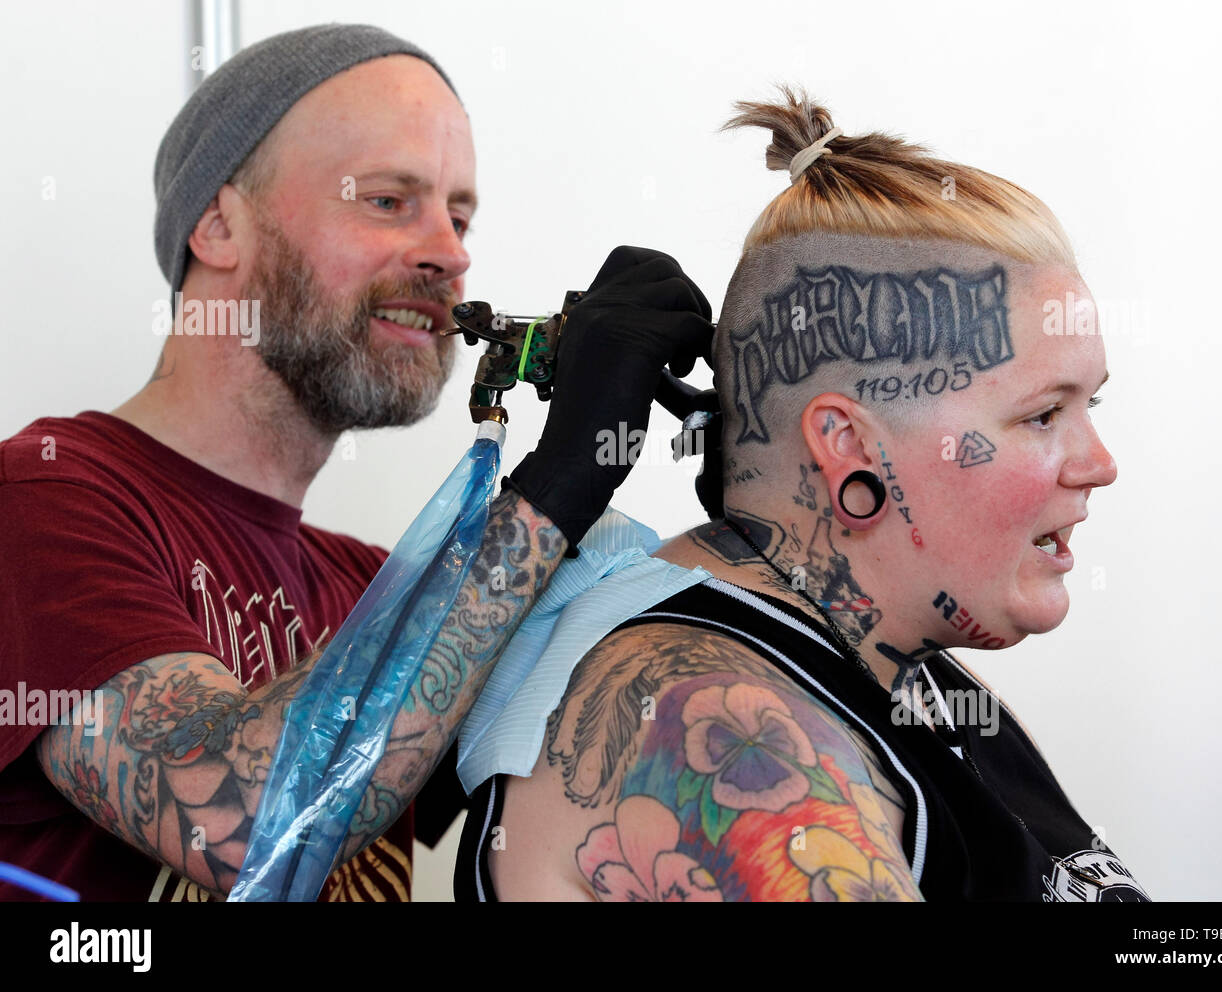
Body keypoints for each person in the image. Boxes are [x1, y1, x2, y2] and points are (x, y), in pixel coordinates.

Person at [0, 24, 711, 901]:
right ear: (219, 224)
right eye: (387, 201)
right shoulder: (37, 500)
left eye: (459, 216)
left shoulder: (373, 586)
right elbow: (251, 826)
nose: (451, 253)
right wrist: (560, 481)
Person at [456, 88, 1152, 902]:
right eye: (1043, 414)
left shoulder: (925, 683)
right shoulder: (716, 728)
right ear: (850, 447)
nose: (1099, 463)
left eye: (1088, 405)